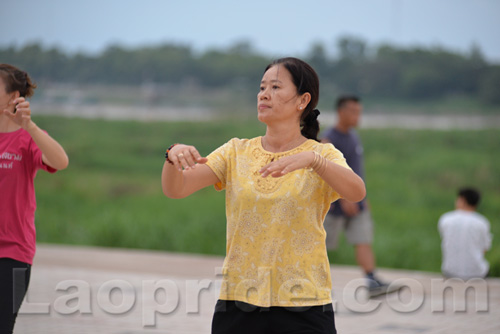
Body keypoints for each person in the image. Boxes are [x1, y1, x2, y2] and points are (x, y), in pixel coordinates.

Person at [162, 57, 366, 334]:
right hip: (239, 300)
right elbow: (177, 189)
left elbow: (356, 192)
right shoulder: (236, 152)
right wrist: (172, 156)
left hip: (304, 300)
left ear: (302, 100)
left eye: (275, 87)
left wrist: (313, 161)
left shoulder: (321, 155)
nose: (264, 94)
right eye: (261, 88)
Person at [0, 64, 69, 334]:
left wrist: (29, 126)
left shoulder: (26, 140)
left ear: (12, 96)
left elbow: (60, 161)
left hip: (13, 252)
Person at [321, 95, 394, 298]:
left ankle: (371, 279)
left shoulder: (353, 136)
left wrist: (362, 197)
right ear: (340, 112)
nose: (357, 116)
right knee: (320, 242)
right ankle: (307, 280)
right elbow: (327, 171)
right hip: (335, 204)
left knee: (363, 238)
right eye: (353, 111)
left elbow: (356, 170)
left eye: (359, 111)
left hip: (357, 201)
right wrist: (344, 197)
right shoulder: (329, 138)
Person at [438, 187, 492, 280]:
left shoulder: (445, 219)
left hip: (450, 272)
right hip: (477, 273)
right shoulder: (482, 222)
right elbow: (484, 249)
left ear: (462, 200)